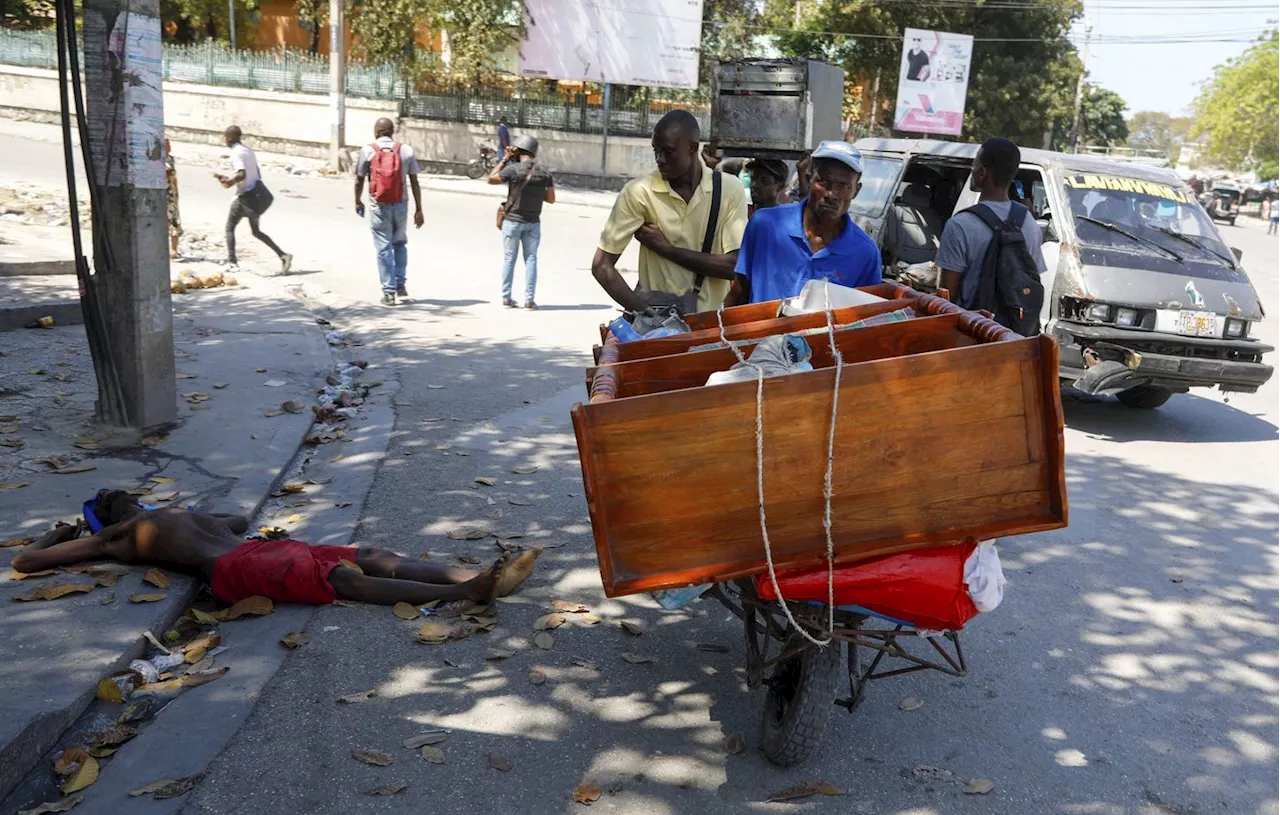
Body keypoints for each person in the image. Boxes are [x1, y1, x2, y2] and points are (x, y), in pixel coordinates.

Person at [12, 490, 540, 607]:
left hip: (254, 548)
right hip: (231, 567)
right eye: (105, 499)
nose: (112, 493)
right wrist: (60, 537)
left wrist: (196, 517)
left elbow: (240, 518)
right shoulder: (116, 537)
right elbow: (25, 562)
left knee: (367, 552)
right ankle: (471, 591)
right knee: (343, 582)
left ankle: (463, 574)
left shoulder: (165, 513)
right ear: (104, 520)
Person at [592, 110, 748, 314]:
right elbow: (602, 266)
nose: (659, 159)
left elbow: (733, 267)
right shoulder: (639, 192)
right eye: (656, 151)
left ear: (693, 147)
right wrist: (646, 314)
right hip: (657, 330)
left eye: (668, 151)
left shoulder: (728, 189)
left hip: (708, 324)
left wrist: (667, 249)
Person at [732, 141, 881, 305]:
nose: (831, 194)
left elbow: (865, 320)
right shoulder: (765, 225)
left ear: (856, 190)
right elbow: (739, 294)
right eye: (823, 182)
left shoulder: (865, 253)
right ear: (809, 180)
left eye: (843, 186)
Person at [936, 138, 1047, 309]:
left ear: (982, 173)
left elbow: (947, 295)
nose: (972, 171)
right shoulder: (1029, 223)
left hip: (973, 329)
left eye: (974, 166)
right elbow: (1031, 279)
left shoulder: (959, 225)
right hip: (1015, 331)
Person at [354, 118, 424, 306]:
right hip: (401, 204)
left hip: (379, 206)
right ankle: (400, 284)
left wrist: (357, 201)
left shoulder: (368, 150)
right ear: (392, 131)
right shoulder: (406, 150)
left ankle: (389, 292)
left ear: (376, 132)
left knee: (383, 247)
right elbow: (415, 181)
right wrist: (419, 209)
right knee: (400, 244)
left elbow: (359, 179)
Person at [487, 134, 555, 309]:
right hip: (533, 222)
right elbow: (551, 199)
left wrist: (504, 159)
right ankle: (529, 300)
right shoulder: (545, 172)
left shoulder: (514, 170)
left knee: (509, 259)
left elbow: (490, 178)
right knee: (531, 259)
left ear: (518, 150)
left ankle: (506, 298)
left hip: (513, 221)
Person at [217, 126, 291, 275]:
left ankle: (232, 262)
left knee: (229, 227)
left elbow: (242, 174)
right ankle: (283, 255)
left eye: (225, 137)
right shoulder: (247, 151)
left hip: (245, 197)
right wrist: (233, 181)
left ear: (230, 138)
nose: (224, 140)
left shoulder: (236, 153)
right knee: (256, 231)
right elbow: (255, 173)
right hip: (256, 196)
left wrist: (231, 182)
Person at [164, 138, 182, 260]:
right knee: (165, 223)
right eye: (166, 145)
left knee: (175, 221)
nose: (169, 147)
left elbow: (173, 178)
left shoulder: (170, 159)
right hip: (163, 195)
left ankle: (174, 250)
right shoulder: (157, 160)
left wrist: (176, 194)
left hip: (171, 195)